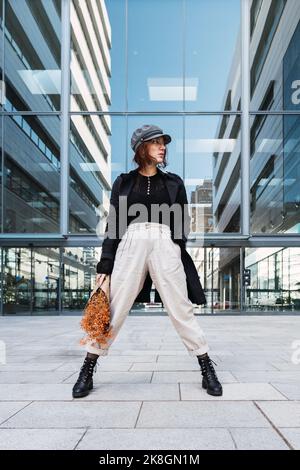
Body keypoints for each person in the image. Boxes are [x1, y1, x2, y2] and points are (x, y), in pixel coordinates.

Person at [72, 125, 222, 398]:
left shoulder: (174, 182)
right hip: (131, 243)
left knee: (181, 308)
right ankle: (88, 367)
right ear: (142, 148)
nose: (163, 147)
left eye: (164, 143)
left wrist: (177, 251)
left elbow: (181, 225)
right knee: (113, 309)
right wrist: (104, 265)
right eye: (156, 143)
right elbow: (114, 224)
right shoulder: (124, 182)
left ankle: (206, 366)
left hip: (166, 244)